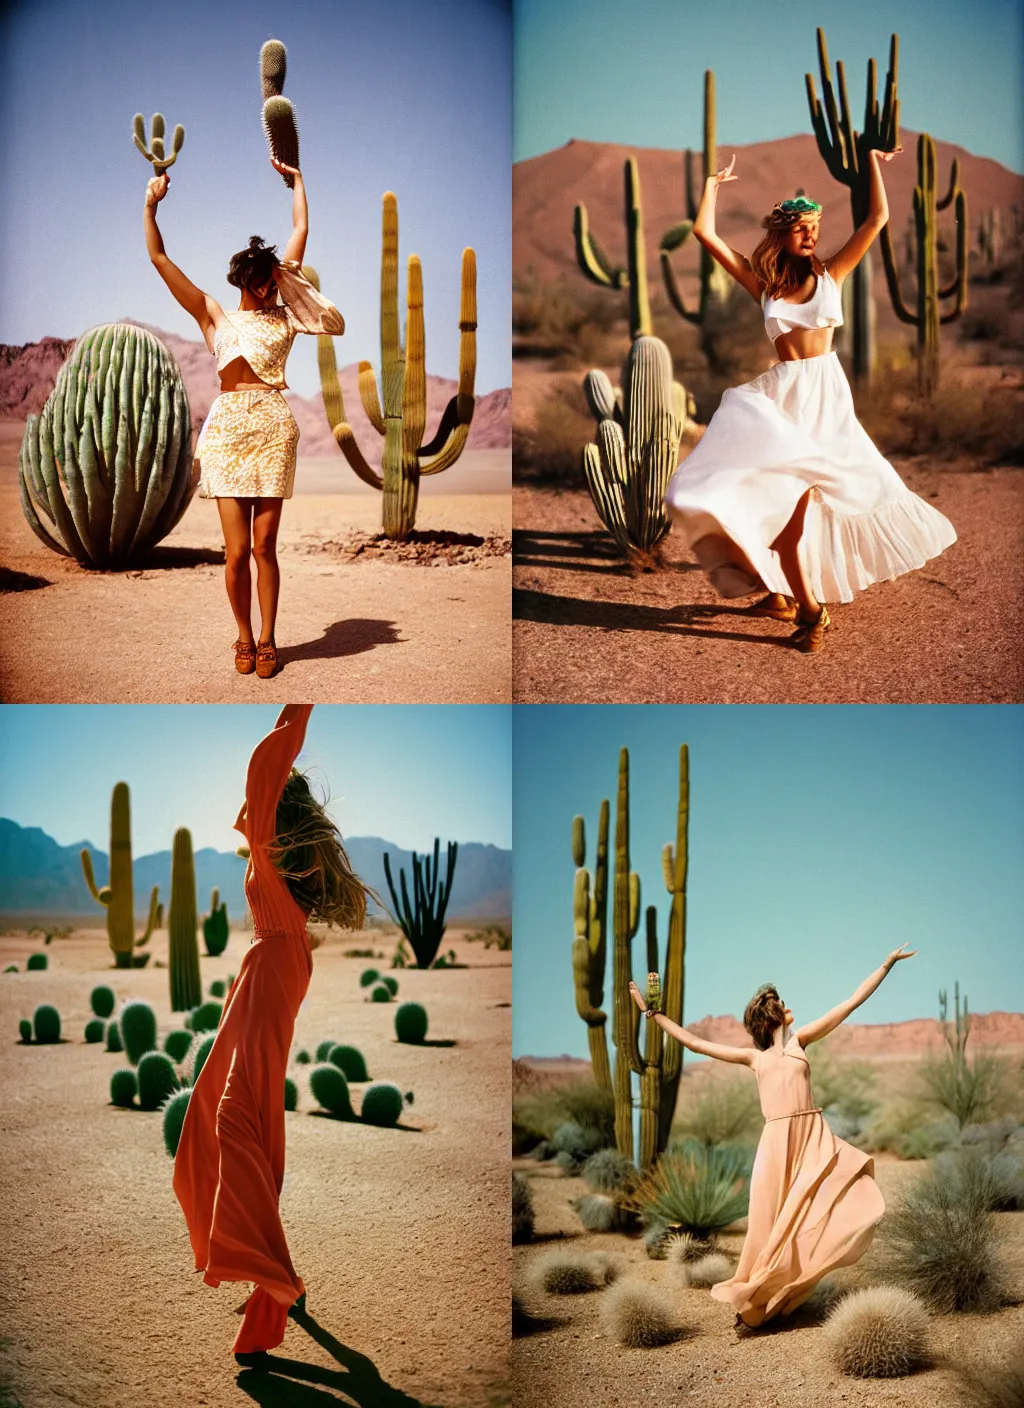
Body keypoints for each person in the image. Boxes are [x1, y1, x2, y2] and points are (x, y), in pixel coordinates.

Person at [664, 149, 956, 653]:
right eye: (801, 227)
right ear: (780, 234)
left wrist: (869, 160)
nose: (811, 235)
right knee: (779, 512)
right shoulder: (765, 287)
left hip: (825, 401)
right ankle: (793, 601)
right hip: (781, 402)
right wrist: (712, 183)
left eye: (815, 227)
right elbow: (704, 234)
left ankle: (807, 609)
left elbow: (877, 218)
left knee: (800, 516)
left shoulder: (832, 275)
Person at [172, 704, 372, 1360]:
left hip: (274, 970)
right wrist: (296, 701)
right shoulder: (272, 856)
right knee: (226, 1111)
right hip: (264, 972)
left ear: (267, 805)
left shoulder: (264, 840)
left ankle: (273, 1283)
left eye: (254, 794)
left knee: (236, 1118)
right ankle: (269, 1272)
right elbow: (277, 748)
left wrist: (304, 700)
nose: (244, 799)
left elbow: (276, 751)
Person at [629, 943, 917, 1327]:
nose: (787, 1005)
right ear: (770, 1018)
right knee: (768, 1225)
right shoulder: (755, 1058)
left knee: (814, 1210)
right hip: (776, 1144)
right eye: (780, 1002)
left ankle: (783, 1295)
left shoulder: (802, 1042)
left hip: (810, 1137)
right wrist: (653, 1015)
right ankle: (752, 1305)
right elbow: (695, 1043)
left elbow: (849, 1003)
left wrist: (884, 966)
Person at [144, 158, 345, 678]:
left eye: (275, 278)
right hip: (229, 431)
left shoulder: (285, 314)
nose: (273, 285)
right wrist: (151, 206)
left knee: (264, 546)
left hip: (274, 428)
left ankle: (270, 639)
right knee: (234, 552)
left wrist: (299, 181)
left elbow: (299, 228)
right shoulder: (215, 315)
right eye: (264, 278)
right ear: (244, 277)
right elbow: (161, 259)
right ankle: (242, 637)